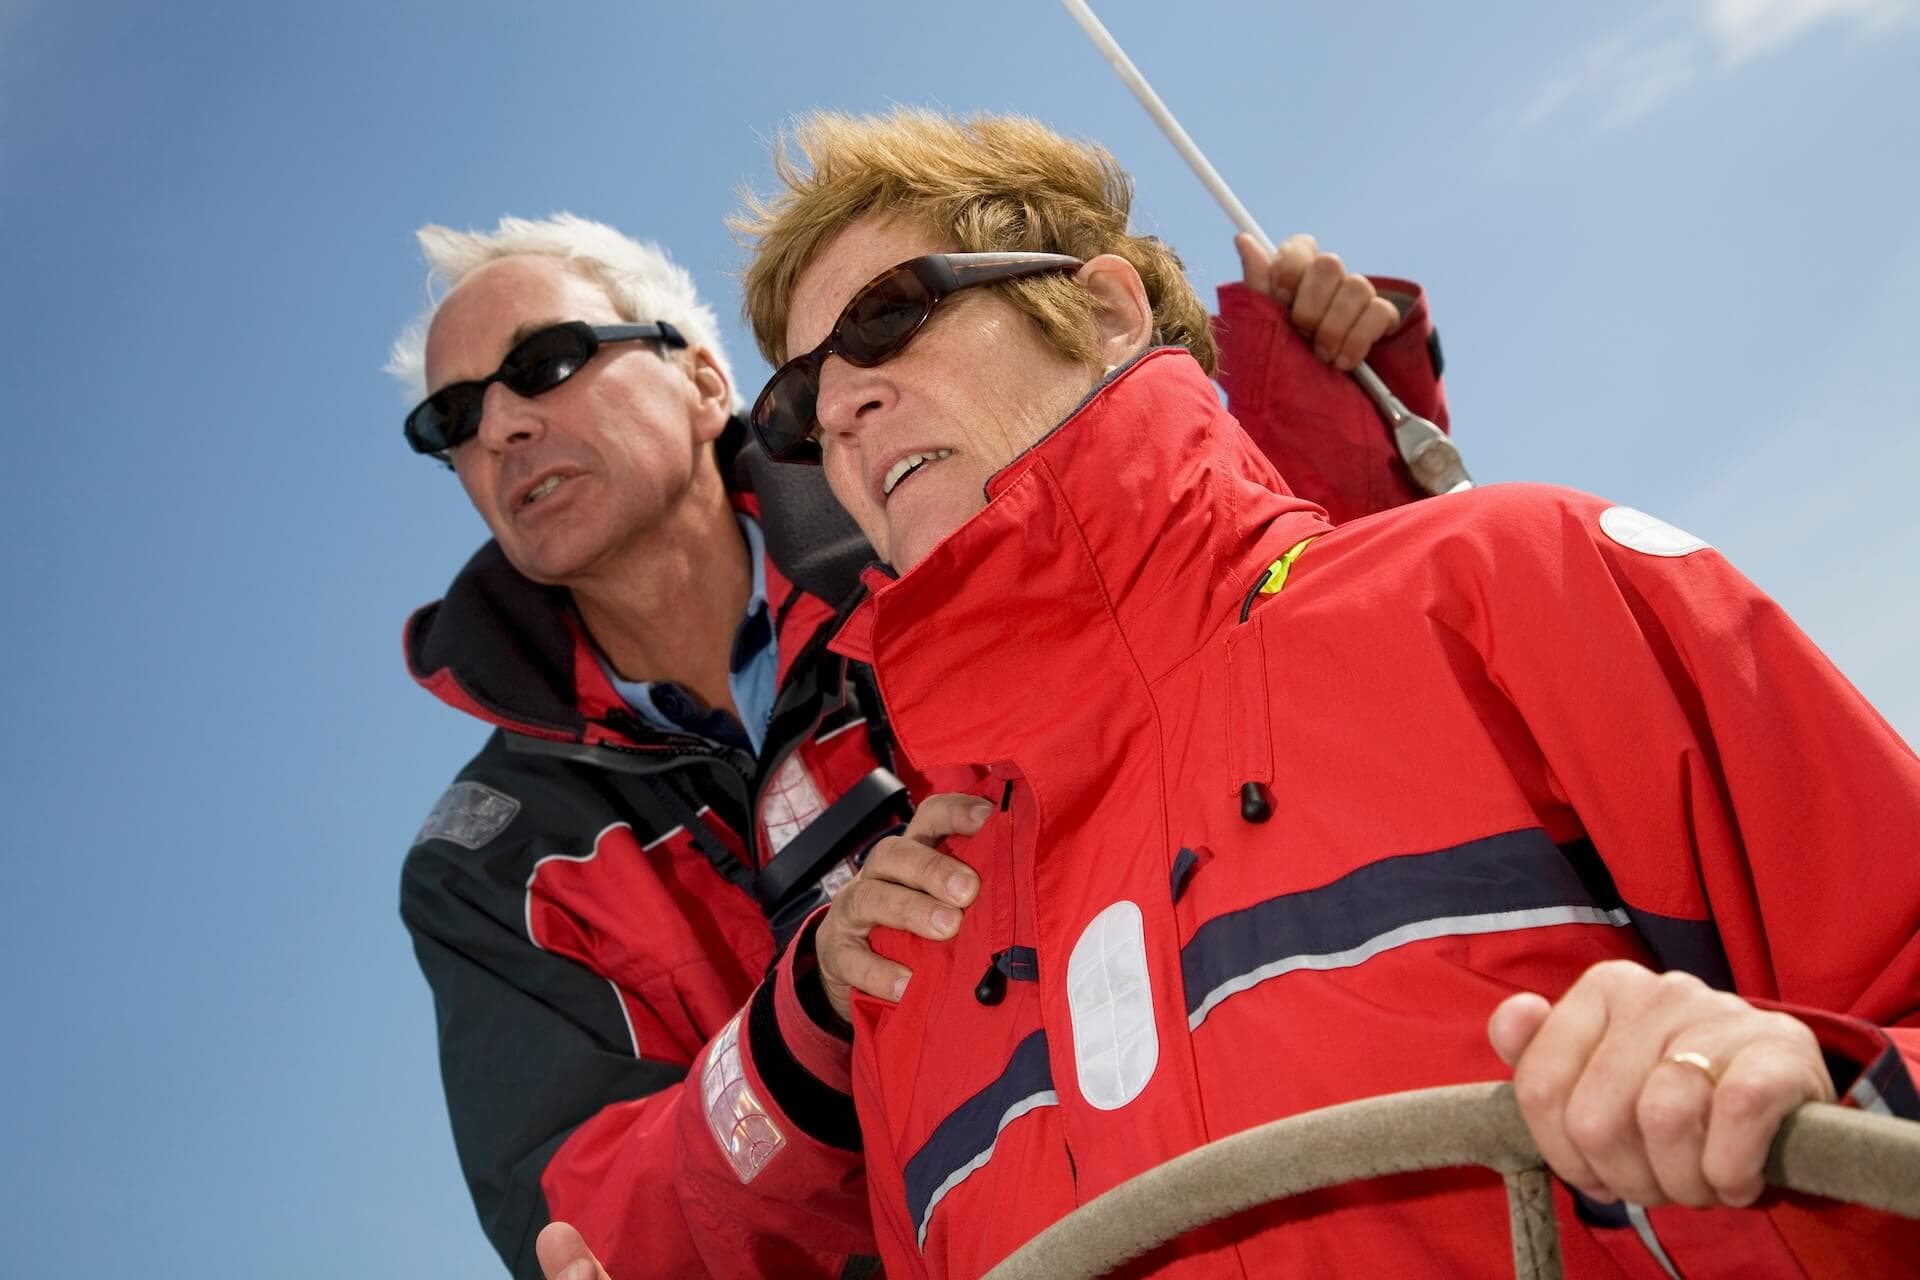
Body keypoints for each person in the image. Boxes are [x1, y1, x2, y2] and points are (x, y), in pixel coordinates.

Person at [708, 108, 1918, 1278]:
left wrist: (1798, 1079)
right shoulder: (911, 968)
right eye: (794, 402)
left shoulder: (1506, 585)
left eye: (888, 317)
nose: (840, 405)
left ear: (1101, 308)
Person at [393, 209, 1455, 1278]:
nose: (501, 428)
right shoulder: (493, 861)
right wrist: (801, 1016)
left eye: (547, 361)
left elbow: (1289, 682)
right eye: (452, 419)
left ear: (708, 380)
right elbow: (589, 1237)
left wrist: (1339, 405)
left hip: (1219, 1183)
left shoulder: (945, 536)